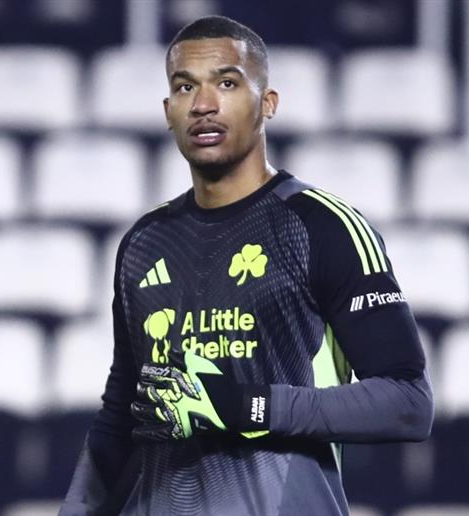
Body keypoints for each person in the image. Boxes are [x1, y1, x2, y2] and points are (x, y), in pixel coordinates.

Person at [61, 15, 433, 516]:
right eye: (185, 87)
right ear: (168, 111)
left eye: (227, 83)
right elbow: (119, 418)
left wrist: (246, 405)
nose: (203, 104)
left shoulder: (324, 226)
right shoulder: (144, 243)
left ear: (268, 103)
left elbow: (408, 403)